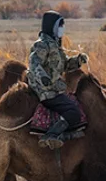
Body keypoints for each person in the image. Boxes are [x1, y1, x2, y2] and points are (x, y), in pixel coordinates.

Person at [26, 10, 88, 143]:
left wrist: (78, 61)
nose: (62, 28)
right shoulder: (42, 44)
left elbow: (64, 65)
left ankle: (64, 136)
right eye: (60, 25)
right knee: (73, 112)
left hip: (54, 89)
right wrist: (43, 77)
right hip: (46, 91)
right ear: (52, 26)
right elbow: (34, 62)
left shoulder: (55, 45)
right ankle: (51, 135)